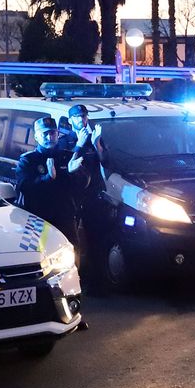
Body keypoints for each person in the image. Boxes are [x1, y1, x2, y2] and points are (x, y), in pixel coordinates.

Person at [65, 104, 111, 293]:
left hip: (94, 196)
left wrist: (97, 143)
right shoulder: (65, 141)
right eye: (77, 117)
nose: (82, 120)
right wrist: (79, 144)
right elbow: (67, 167)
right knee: (72, 241)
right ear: (70, 120)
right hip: (74, 197)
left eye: (84, 116)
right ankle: (73, 280)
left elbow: (106, 161)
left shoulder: (94, 138)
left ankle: (97, 283)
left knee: (96, 239)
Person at [15, 117, 77, 243]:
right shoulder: (28, 160)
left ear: (57, 134)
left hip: (65, 218)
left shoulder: (67, 157)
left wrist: (76, 172)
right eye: (45, 134)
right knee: (40, 252)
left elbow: (81, 186)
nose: (49, 137)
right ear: (36, 137)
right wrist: (48, 178)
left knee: (71, 251)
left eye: (52, 133)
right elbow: (25, 187)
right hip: (39, 220)